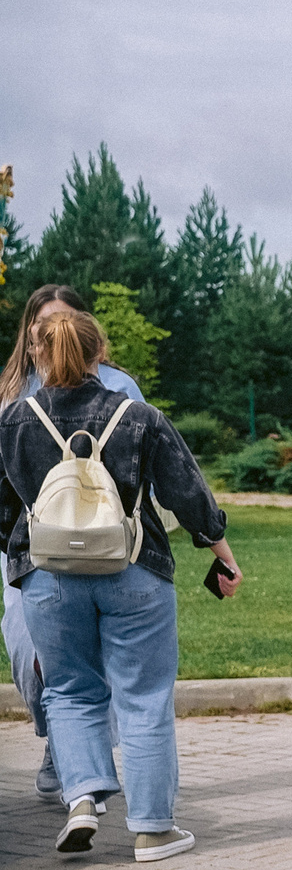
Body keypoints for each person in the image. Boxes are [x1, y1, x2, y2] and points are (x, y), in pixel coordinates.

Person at [1, 304, 237, 861]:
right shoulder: (137, 415)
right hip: (133, 571)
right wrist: (221, 554)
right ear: (99, 354)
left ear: (38, 353)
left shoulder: (10, 422)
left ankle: (81, 798)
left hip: (48, 578)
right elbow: (188, 494)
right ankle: (154, 829)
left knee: (69, 691)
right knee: (144, 696)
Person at [3, 286, 150, 808]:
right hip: (27, 550)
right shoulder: (13, 391)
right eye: (45, 326)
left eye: (65, 322)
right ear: (30, 336)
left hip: (104, 543)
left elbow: (146, 466)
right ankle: (61, 744)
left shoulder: (118, 386)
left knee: (97, 659)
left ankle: (80, 770)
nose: (54, 334)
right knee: (28, 652)